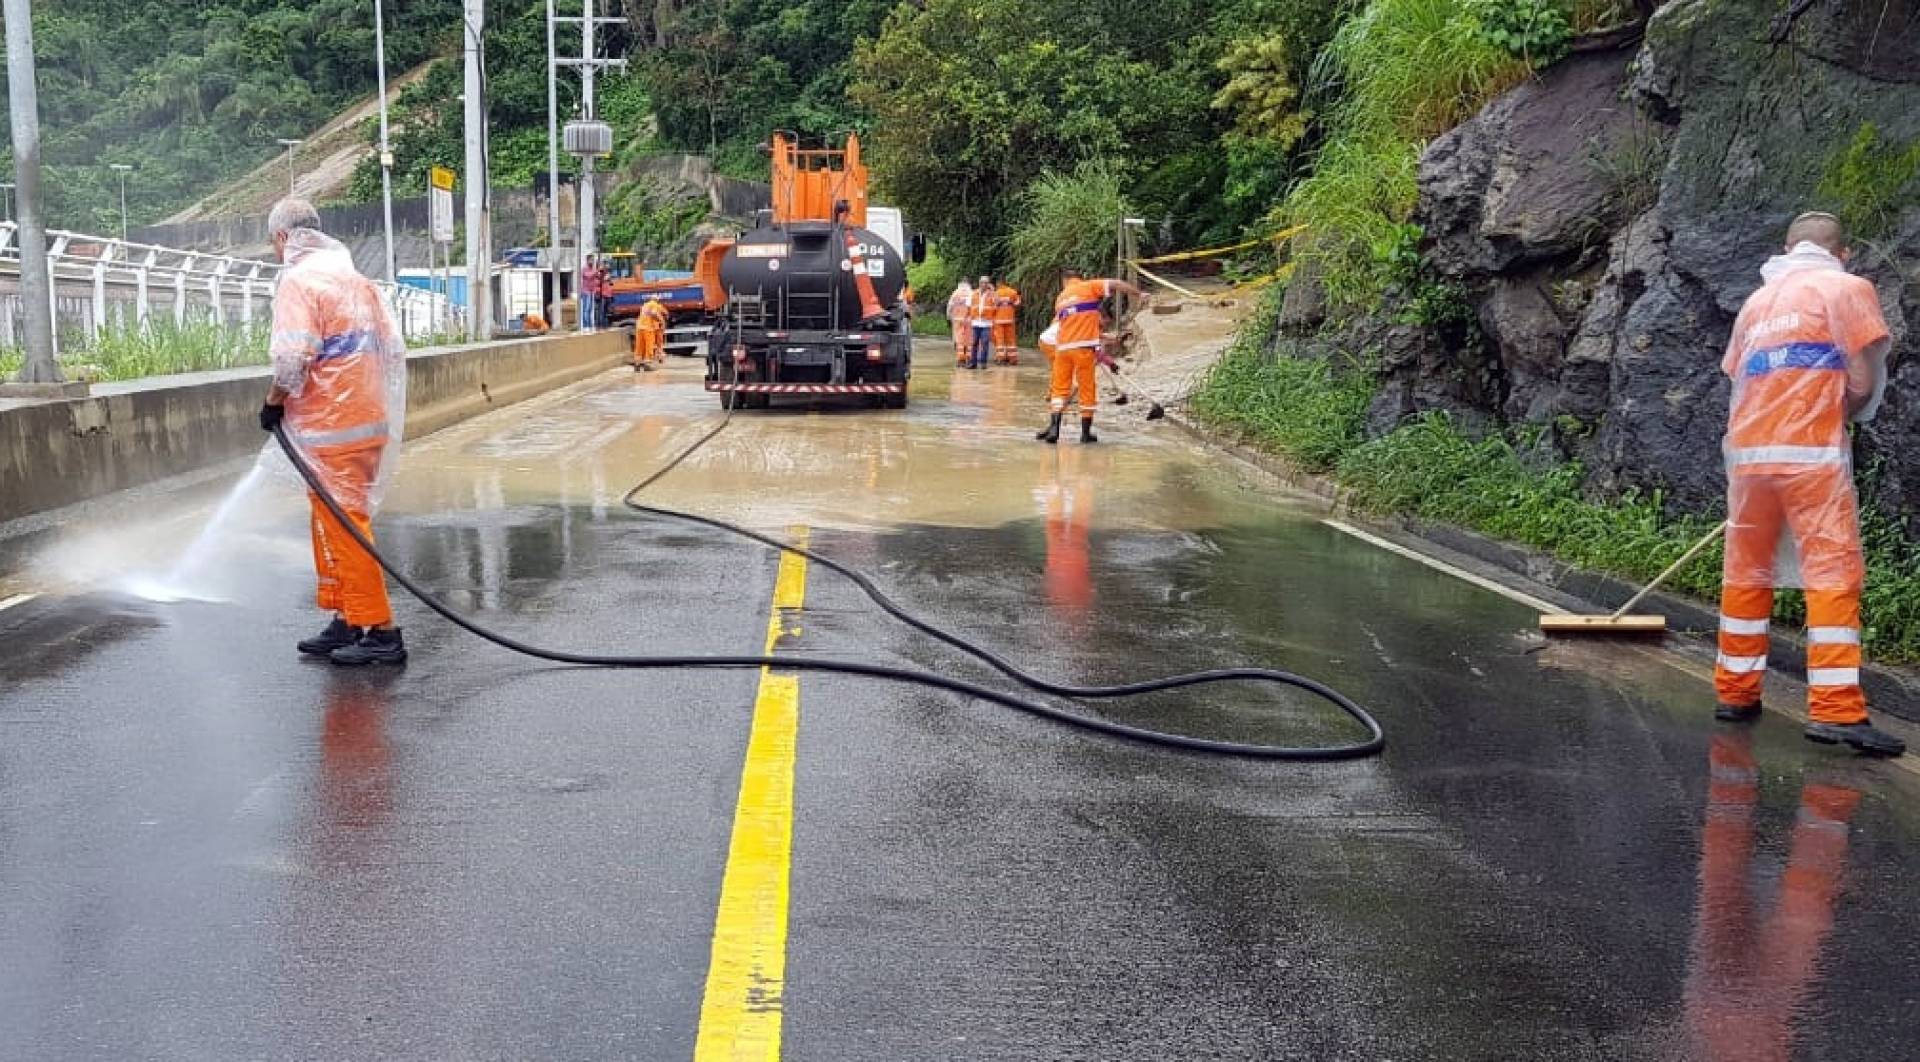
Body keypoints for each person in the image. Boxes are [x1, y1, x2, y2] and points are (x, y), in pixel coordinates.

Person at [1714, 211, 1899, 755]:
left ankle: (1736, 692)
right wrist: (1840, 409)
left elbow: (1741, 378)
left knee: (1746, 573)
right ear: (1840, 254)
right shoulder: (1847, 287)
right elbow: (1861, 383)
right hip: (1811, 457)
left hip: (1748, 459)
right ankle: (1836, 711)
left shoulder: (1755, 303)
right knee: (1831, 575)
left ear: (1787, 250)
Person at [258, 198, 408, 666]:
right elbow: (391, 352)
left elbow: (291, 359)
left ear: (283, 238)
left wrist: (272, 403)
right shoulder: (355, 280)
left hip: (330, 429)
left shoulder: (299, 282)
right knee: (332, 523)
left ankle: (381, 630)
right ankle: (347, 616)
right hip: (368, 421)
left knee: (345, 528)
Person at [1037, 267, 1143, 445]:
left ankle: (1054, 428)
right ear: (1080, 277)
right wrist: (1139, 294)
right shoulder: (1089, 287)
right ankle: (1085, 434)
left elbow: (1075, 328)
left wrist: (1106, 347)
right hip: (1082, 349)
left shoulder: (1061, 298)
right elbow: (1116, 284)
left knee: (1059, 389)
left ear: (1064, 281)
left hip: (1062, 348)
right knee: (1087, 389)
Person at [968, 275, 996, 369]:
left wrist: (993, 291)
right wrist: (968, 318)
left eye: (986, 283)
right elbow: (969, 306)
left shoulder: (992, 294)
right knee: (974, 343)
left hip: (986, 323)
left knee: (985, 343)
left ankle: (983, 363)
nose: (984, 284)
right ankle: (973, 363)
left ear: (988, 284)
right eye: (982, 282)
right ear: (979, 283)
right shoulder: (973, 293)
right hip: (975, 322)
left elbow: (997, 302)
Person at [633, 296, 668, 370]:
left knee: (639, 347)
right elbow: (654, 313)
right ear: (656, 300)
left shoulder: (645, 305)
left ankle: (637, 365)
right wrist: (661, 320)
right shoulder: (654, 304)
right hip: (648, 328)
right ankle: (647, 365)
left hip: (639, 328)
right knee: (649, 346)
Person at [993, 280, 1021, 364]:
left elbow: (993, 305)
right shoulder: (1012, 292)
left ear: (999, 284)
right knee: (1011, 339)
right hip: (1010, 319)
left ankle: (1001, 358)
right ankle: (1012, 358)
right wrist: (1011, 303)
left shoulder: (996, 293)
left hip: (999, 320)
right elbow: (1018, 303)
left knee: (1000, 339)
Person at [947, 279, 975, 367]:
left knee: (959, 340)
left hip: (957, 320)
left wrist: (948, 317)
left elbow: (950, 306)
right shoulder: (972, 293)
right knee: (969, 340)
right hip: (969, 320)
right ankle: (969, 358)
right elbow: (975, 307)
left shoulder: (955, 293)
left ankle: (960, 360)